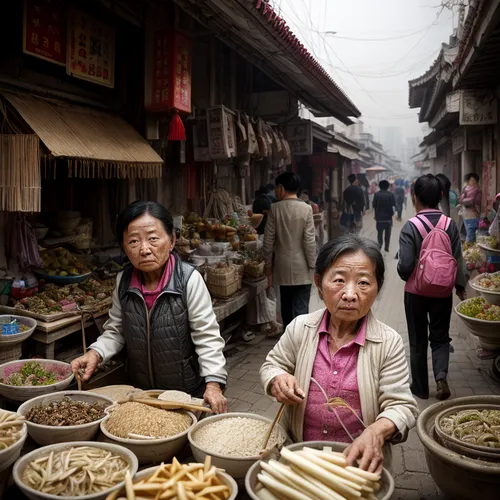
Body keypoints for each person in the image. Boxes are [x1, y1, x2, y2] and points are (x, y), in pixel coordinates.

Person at [260, 235, 418, 472]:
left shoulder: (388, 343)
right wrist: (277, 379)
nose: (350, 294)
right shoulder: (300, 328)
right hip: (297, 457)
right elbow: (272, 364)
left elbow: (402, 406)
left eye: (363, 283)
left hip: (357, 465)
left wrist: (376, 432)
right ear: (319, 282)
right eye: (339, 280)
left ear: (377, 288)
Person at [71, 201, 228, 413]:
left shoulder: (189, 280)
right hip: (141, 392)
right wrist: (95, 354)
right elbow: (116, 330)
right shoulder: (123, 281)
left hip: (184, 392)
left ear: (171, 240)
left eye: (153, 239)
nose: (144, 250)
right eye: (134, 241)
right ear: (124, 247)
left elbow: (207, 336)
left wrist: (213, 384)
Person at [398, 175, 467, 401]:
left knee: (417, 340)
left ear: (415, 196)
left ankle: (420, 387)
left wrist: (405, 272)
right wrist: (460, 286)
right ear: (439, 197)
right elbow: (458, 257)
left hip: (416, 293)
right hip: (442, 292)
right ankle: (441, 377)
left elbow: (406, 265)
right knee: (440, 337)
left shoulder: (411, 226)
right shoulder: (449, 224)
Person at [263, 172, 316, 329]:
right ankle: (301, 338)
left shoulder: (275, 208)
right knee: (301, 306)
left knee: (286, 304)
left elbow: (268, 241)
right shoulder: (306, 209)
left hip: (282, 265)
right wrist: (313, 265)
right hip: (302, 266)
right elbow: (309, 242)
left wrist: (268, 266)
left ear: (281, 188)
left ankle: (288, 337)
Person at [373, 180, 395, 253]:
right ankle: (386, 247)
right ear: (387, 186)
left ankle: (379, 245)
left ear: (379, 186)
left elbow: (374, 205)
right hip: (388, 218)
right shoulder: (390, 194)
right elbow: (393, 206)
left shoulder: (376, 194)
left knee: (379, 233)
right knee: (388, 233)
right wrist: (392, 214)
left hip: (379, 218)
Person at [459, 173, 482, 243]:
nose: (472, 182)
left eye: (474, 180)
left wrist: (464, 201)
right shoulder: (465, 189)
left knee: (471, 234)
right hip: (467, 215)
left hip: (473, 214)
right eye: (471, 180)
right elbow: (461, 200)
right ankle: (468, 251)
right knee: (470, 234)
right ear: (468, 181)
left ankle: (468, 250)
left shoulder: (477, 190)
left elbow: (473, 201)